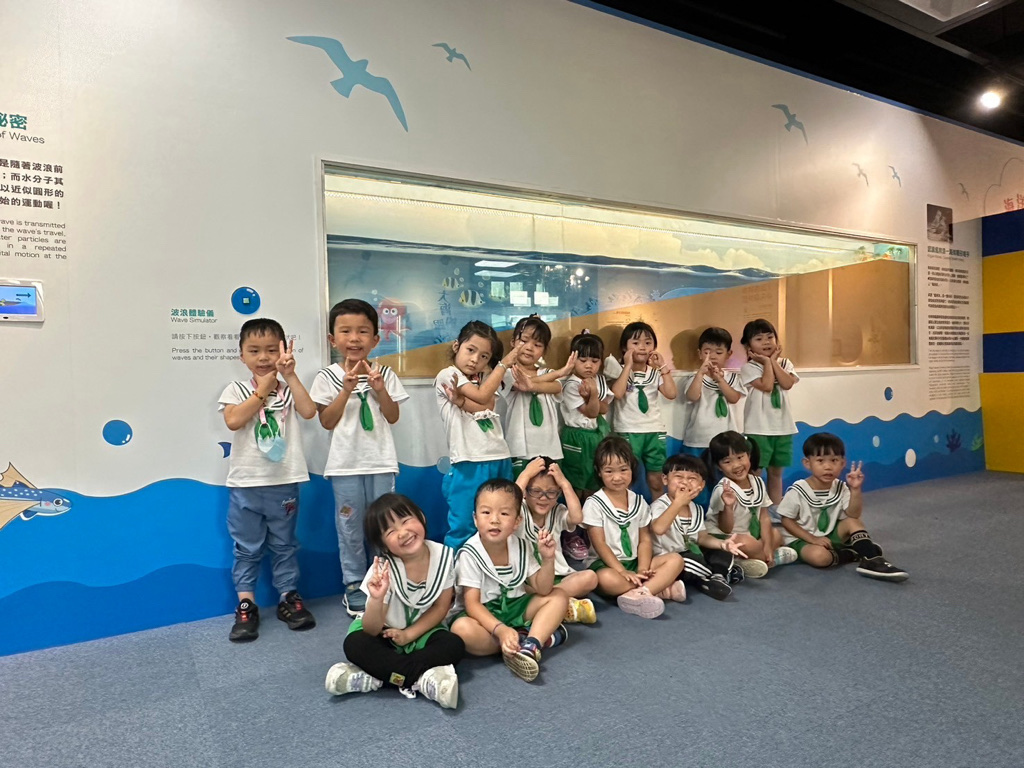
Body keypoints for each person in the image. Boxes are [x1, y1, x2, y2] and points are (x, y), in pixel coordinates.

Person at [218, 318, 318, 642]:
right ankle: (246, 604)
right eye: (254, 350)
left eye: (272, 350)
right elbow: (234, 420)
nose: (263, 357)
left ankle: (288, 597)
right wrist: (261, 391)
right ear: (242, 355)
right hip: (246, 485)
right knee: (246, 549)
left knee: (284, 545)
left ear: (283, 351)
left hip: (284, 482)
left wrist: (289, 375)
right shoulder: (235, 390)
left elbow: (309, 411)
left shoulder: (288, 390)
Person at [311, 299, 409, 616]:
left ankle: (383, 577)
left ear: (375, 339)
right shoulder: (326, 377)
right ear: (332, 339)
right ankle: (354, 583)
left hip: (381, 462)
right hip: (344, 466)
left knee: (385, 523)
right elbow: (327, 421)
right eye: (346, 331)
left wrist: (379, 389)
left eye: (363, 331)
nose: (354, 338)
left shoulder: (385, 373)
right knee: (350, 526)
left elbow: (393, 416)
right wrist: (345, 390)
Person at [326, 494, 464, 708]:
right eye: (390, 531)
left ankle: (378, 677)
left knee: (453, 645)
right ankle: (420, 680)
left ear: (421, 517)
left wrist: (409, 634)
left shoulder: (444, 556)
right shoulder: (383, 569)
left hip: (422, 632)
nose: (403, 533)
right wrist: (376, 598)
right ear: (383, 545)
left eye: (406, 520)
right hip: (384, 634)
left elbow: (440, 607)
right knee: (355, 644)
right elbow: (371, 629)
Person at [450, 479, 570, 682]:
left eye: (504, 514)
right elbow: (472, 604)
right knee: (461, 630)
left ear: (517, 522)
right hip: (484, 616)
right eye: (486, 512)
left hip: (515, 606)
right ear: (475, 519)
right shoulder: (469, 553)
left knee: (558, 596)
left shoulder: (522, 546)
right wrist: (501, 630)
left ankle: (531, 644)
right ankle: (526, 639)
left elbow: (543, 589)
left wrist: (548, 559)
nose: (494, 520)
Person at [778, 433, 909, 581]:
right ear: (807, 463)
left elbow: (854, 514)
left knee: (852, 522)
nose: (828, 467)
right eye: (820, 461)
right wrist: (812, 539)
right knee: (820, 557)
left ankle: (872, 560)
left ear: (842, 463)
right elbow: (786, 521)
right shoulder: (798, 490)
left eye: (834, 460)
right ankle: (854, 553)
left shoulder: (841, 487)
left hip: (829, 535)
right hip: (802, 538)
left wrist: (855, 490)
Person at [434, 321, 518, 550]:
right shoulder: (448, 374)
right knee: (464, 523)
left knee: (501, 522)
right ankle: (458, 569)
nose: (475, 360)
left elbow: (486, 404)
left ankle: (496, 565)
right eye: (470, 350)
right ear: (456, 346)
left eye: (484, 356)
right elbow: (482, 397)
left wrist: (462, 400)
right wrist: (504, 364)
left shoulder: (485, 378)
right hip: (469, 460)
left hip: (499, 456)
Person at [583, 436, 685, 619]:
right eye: (609, 471)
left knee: (676, 560)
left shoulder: (639, 501)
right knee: (606, 580)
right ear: (599, 472)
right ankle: (657, 588)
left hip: (635, 561)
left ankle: (639, 592)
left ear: (632, 468)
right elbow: (600, 544)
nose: (617, 477)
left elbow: (645, 539)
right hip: (606, 564)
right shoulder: (594, 503)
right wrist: (621, 571)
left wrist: (642, 569)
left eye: (623, 469)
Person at [649, 454, 748, 600]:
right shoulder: (659, 505)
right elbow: (658, 529)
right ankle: (716, 575)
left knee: (721, 551)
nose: (685, 482)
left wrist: (722, 544)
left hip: (690, 553)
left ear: (701, 485)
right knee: (690, 560)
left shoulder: (696, 508)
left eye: (692, 478)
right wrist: (678, 503)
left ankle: (715, 578)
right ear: (665, 479)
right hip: (668, 560)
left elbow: (701, 537)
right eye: (678, 476)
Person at [515, 457, 599, 623]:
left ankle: (550, 601)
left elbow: (577, 517)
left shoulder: (557, 511)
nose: (543, 498)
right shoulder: (519, 511)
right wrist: (525, 475)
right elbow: (508, 505)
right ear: (525, 492)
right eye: (536, 491)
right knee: (520, 589)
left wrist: (565, 484)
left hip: (557, 576)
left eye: (551, 492)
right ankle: (560, 602)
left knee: (590, 577)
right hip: (529, 580)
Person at [706, 431, 798, 578]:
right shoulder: (723, 490)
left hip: (750, 533)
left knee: (776, 534)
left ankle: (759, 556)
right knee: (746, 543)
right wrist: (728, 507)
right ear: (719, 466)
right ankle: (762, 559)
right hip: (728, 536)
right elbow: (725, 528)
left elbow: (764, 517)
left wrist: (767, 546)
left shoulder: (758, 482)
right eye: (727, 462)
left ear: (749, 455)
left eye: (740, 457)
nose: (736, 465)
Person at [605, 322, 678, 497]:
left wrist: (663, 366)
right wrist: (627, 366)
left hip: (654, 431)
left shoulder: (655, 372)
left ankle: (658, 511)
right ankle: (627, 510)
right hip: (628, 431)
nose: (642, 347)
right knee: (625, 478)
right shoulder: (618, 370)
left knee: (656, 480)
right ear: (624, 347)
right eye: (636, 343)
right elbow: (618, 393)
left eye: (648, 343)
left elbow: (671, 393)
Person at [499, 315, 573, 477]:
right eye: (524, 340)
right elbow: (519, 384)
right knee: (520, 487)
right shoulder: (506, 372)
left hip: (550, 448)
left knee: (549, 489)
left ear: (544, 351)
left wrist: (532, 385)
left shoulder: (547, 372)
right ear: (513, 342)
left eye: (537, 344)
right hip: (519, 449)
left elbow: (557, 387)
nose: (529, 347)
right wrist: (560, 372)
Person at [739, 319, 799, 510]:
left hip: (783, 427)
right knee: (755, 471)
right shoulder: (749, 367)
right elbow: (766, 385)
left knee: (776, 472)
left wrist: (772, 361)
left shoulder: (785, 363)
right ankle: (754, 508)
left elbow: (787, 383)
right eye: (759, 339)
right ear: (748, 346)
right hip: (758, 428)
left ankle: (776, 508)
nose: (766, 342)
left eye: (770, 337)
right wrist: (766, 362)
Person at [559, 330, 614, 500]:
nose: (589, 365)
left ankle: (591, 513)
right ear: (573, 360)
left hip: (596, 435)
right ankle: (575, 514)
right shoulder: (571, 385)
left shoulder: (599, 380)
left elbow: (604, 409)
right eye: (583, 361)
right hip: (577, 437)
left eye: (595, 361)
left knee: (594, 479)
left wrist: (591, 396)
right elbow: (591, 413)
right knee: (577, 480)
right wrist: (594, 396)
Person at [682, 327, 746, 456]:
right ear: (700, 354)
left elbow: (734, 398)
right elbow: (692, 397)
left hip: (727, 439)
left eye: (719, 352)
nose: (712, 356)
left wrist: (720, 380)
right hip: (700, 438)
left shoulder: (733, 378)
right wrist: (701, 373)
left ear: (728, 354)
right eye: (707, 352)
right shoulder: (695, 377)